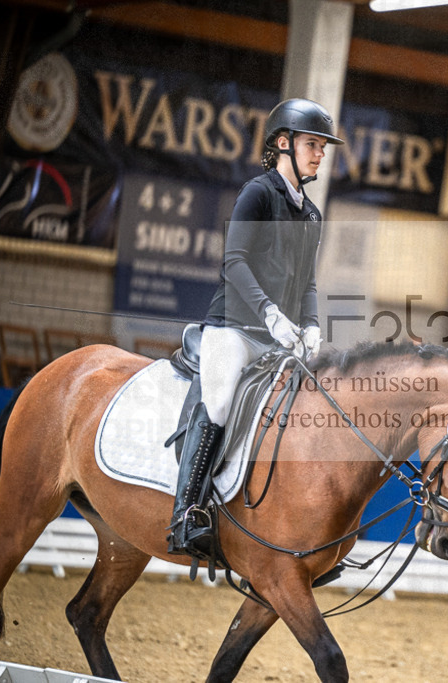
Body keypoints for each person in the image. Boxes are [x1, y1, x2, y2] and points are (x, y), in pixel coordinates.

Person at [166, 98, 345, 558]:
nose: (320, 154)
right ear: (282, 144)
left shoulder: (311, 215)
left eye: (323, 147)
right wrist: (268, 312)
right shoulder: (258, 193)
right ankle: (187, 513)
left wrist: (310, 325)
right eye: (312, 144)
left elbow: (306, 281)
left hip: (280, 337)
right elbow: (235, 261)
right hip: (235, 327)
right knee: (221, 399)